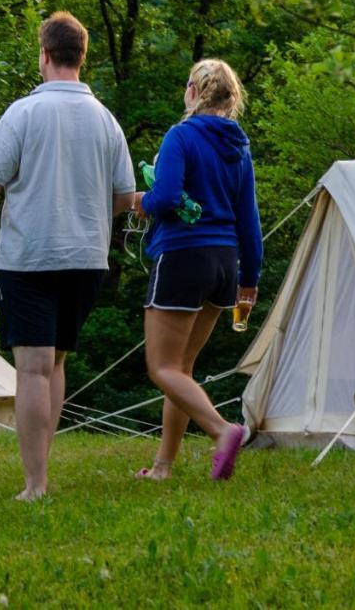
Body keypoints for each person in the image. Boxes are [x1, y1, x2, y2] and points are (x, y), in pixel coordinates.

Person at [0, 12, 135, 501]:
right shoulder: (105, 119)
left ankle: (36, 484)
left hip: (30, 255)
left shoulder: (24, 113)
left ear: (44, 55)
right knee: (55, 364)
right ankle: (41, 469)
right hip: (87, 257)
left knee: (31, 367)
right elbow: (123, 195)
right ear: (82, 56)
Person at [136, 58, 262, 481]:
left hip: (183, 256)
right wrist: (250, 281)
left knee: (163, 368)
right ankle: (163, 467)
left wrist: (142, 202)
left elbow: (167, 196)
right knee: (182, 370)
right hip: (225, 264)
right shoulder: (239, 148)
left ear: (193, 91)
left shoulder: (181, 136)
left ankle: (223, 430)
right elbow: (250, 221)